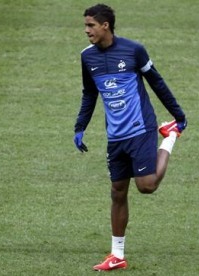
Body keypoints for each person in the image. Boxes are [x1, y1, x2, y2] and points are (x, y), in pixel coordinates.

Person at [73, 4, 187, 271]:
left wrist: (178, 115)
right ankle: (117, 255)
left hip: (141, 129)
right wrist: (80, 126)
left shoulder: (133, 50)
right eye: (85, 25)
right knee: (117, 191)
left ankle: (168, 137)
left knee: (146, 186)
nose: (86, 30)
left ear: (105, 26)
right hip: (116, 135)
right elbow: (90, 93)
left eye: (90, 25)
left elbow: (156, 82)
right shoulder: (87, 57)